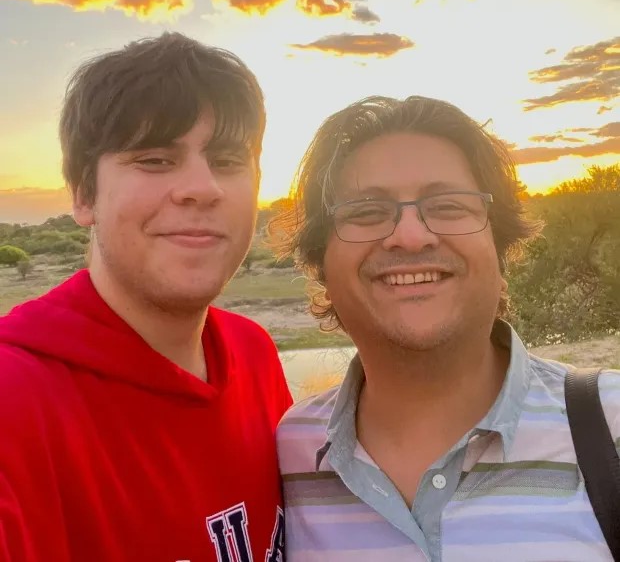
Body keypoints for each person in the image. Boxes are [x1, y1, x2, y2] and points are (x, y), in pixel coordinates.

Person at [271, 95, 620, 561]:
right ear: (321, 265)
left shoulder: (610, 430)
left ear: (501, 248)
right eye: (366, 212)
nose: (411, 236)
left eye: (449, 206)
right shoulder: (289, 457)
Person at [0, 32, 291, 562]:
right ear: (85, 195)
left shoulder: (254, 354)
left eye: (227, 159)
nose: (203, 187)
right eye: (156, 159)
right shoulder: (17, 399)